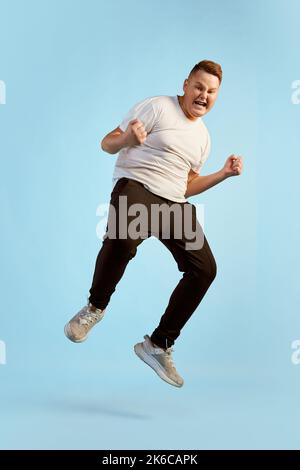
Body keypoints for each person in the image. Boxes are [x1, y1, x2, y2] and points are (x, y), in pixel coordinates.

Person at [64, 60, 243, 388]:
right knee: (123, 238)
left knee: (205, 269)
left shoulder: (203, 137)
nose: (204, 95)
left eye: (211, 91)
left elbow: (186, 184)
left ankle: (158, 345)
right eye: (199, 87)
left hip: (173, 202)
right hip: (137, 186)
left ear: (216, 96)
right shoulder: (158, 107)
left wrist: (221, 175)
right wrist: (128, 139)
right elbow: (107, 143)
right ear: (186, 85)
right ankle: (95, 307)